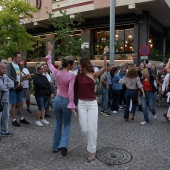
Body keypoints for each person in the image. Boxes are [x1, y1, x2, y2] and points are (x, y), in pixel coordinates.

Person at [74, 46, 108, 162]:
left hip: (92, 104)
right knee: (84, 129)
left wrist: (104, 54)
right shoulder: (77, 77)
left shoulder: (93, 75)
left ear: (83, 65)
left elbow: (104, 68)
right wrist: (72, 105)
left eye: (79, 64)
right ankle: (89, 145)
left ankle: (91, 150)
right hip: (82, 103)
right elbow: (73, 90)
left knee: (92, 129)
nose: (78, 65)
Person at [45, 42, 76, 156]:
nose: (74, 65)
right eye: (73, 64)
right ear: (69, 65)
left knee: (58, 123)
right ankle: (63, 145)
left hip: (57, 100)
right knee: (67, 124)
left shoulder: (57, 72)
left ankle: (54, 147)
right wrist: (72, 105)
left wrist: (49, 51)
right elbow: (71, 91)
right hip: (66, 101)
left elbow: (49, 63)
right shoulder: (71, 75)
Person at [6, 52, 30, 127]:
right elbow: (8, 75)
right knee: (13, 104)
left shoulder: (18, 65)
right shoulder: (9, 65)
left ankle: (22, 118)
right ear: (14, 57)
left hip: (19, 87)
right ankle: (13, 120)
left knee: (20, 103)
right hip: (13, 87)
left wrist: (21, 81)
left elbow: (19, 75)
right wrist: (16, 82)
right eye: (19, 57)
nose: (20, 58)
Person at [0, 62, 14, 141]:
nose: (5, 70)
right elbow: (1, 87)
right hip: (0, 101)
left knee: (5, 117)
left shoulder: (5, 76)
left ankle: (4, 131)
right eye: (3, 68)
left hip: (6, 100)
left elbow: (11, 83)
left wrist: (6, 85)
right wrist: (7, 85)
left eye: (5, 68)